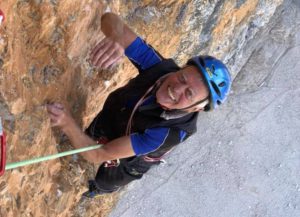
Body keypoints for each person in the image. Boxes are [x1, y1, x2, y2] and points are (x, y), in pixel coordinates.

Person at [46, 12, 231, 198]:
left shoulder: (167, 133)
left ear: (197, 108)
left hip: (133, 159)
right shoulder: (159, 68)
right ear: (180, 69)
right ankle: (87, 140)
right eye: (182, 77)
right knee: (94, 133)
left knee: (108, 179)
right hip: (116, 113)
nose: (177, 88)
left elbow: (101, 153)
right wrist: (117, 39)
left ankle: (96, 190)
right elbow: (109, 19)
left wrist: (67, 123)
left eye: (189, 93)